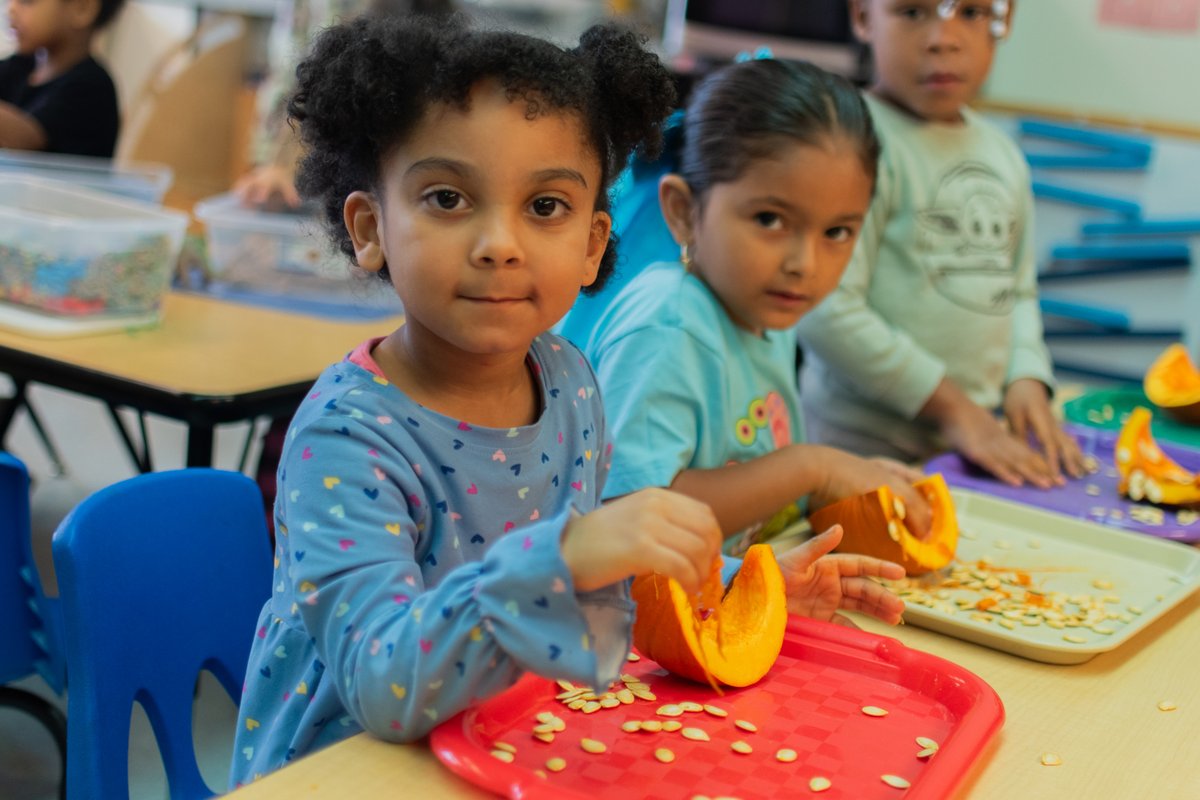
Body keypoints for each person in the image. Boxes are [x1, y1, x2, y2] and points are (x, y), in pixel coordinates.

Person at [229, 16, 906, 785]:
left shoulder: (568, 382)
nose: (500, 243)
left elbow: (593, 586)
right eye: (448, 198)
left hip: (505, 742)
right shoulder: (347, 437)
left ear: (591, 244)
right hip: (344, 771)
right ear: (370, 227)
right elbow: (381, 682)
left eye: (545, 207)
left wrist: (735, 586)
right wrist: (568, 555)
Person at [564, 56, 935, 556]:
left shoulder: (764, 312)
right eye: (769, 219)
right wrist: (813, 468)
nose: (804, 264)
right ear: (684, 212)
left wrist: (842, 482)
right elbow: (631, 514)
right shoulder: (669, 326)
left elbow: (751, 479)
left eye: (837, 232)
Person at [794, 0, 1087, 488]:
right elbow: (825, 309)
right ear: (863, 16)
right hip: (858, 452)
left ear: (1005, 19)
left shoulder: (1004, 155)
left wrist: (1026, 376)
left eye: (971, 13)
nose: (943, 40)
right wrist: (953, 408)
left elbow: (1017, 291)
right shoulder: (846, 144)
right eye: (913, 12)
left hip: (972, 449)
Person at [234, 0, 456, 208]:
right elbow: (287, 74)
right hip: (314, 171)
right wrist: (270, 163)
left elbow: (351, 69)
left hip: (379, 162)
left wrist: (286, 163)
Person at [0, 0, 123, 156]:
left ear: (82, 9)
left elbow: (26, 140)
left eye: (27, 1)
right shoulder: (19, 66)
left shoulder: (92, 86)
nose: (11, 9)